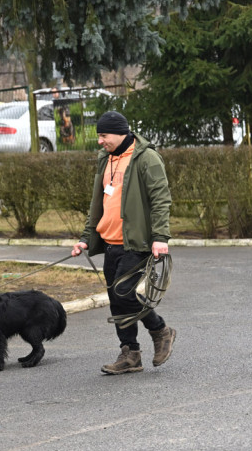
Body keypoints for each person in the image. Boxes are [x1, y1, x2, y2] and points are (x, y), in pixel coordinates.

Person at [71, 111, 176, 374]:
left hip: (136, 241)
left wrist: (160, 238)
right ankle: (130, 354)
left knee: (123, 292)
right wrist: (86, 239)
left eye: (103, 136)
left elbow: (161, 199)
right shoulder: (105, 159)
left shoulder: (146, 158)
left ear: (120, 133)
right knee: (116, 299)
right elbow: (98, 203)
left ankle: (160, 330)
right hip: (110, 241)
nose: (100, 141)